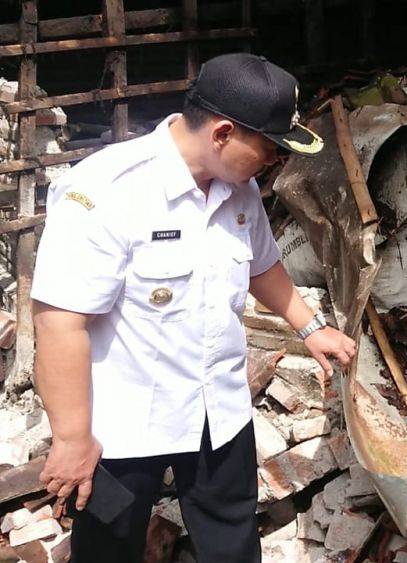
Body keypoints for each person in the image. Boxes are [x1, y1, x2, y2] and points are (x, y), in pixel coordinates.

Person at [30, 53, 357, 562]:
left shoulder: (240, 190)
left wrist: (311, 327)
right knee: (107, 549)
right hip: (125, 423)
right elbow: (59, 323)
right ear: (223, 133)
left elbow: (261, 265)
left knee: (232, 544)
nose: (276, 161)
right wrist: (72, 439)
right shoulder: (108, 191)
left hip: (218, 411)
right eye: (271, 148)